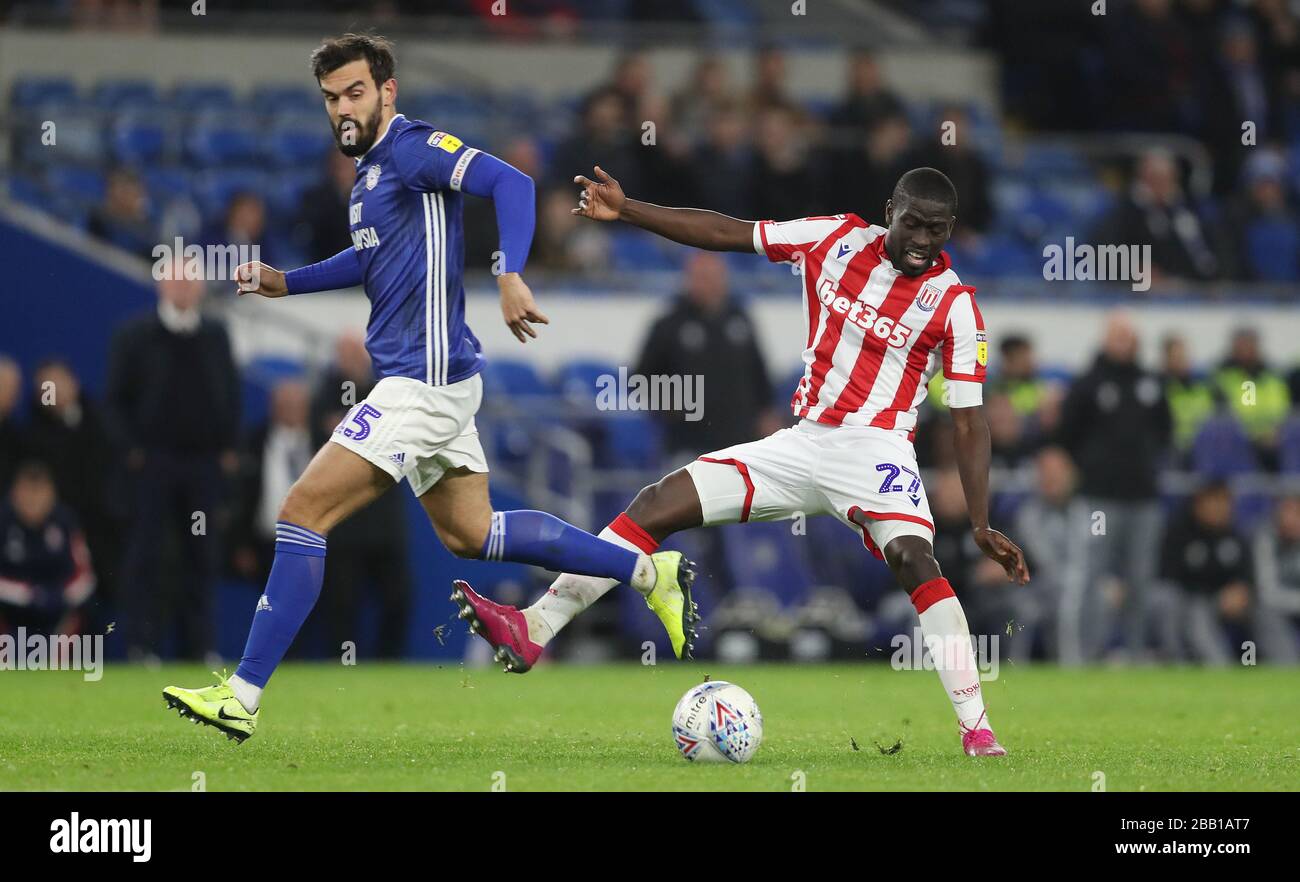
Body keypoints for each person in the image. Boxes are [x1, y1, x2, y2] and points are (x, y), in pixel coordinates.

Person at [162, 33, 694, 744]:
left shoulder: (413, 148)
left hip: (422, 383)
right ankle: (648, 573)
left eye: (354, 92)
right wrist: (288, 281)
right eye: (330, 98)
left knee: (300, 513)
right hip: (438, 384)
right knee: (474, 533)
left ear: (387, 91)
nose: (342, 109)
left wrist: (508, 271)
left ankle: (243, 694)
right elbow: (369, 256)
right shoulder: (372, 176)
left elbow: (512, 182)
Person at [458, 164, 1030, 757]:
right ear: (890, 210)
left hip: (877, 450)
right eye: (913, 223)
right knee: (657, 502)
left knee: (914, 558)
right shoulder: (833, 238)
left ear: (951, 229)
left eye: (937, 231)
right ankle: (535, 628)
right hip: (802, 443)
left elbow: (969, 420)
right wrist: (629, 210)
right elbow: (728, 233)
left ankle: (977, 729)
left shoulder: (957, 306)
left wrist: (982, 522)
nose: (922, 240)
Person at [108, 265, 241, 664]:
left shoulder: (215, 335)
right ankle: (141, 645)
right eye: (176, 279)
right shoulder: (134, 334)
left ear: (200, 287)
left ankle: (199, 647)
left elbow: (230, 395)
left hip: (202, 465)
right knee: (147, 554)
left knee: (201, 554)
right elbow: (115, 400)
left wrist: (227, 446)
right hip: (154, 464)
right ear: (161, 285)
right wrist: (133, 450)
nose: (184, 287)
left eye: (191, 280)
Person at [1058, 311, 1171, 661]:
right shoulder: (1088, 383)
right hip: (1097, 499)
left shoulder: (1151, 383)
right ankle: (1079, 657)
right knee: (1088, 576)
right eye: (1117, 335)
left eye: (1129, 336)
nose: (1124, 343)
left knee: (1140, 580)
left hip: (1143, 499)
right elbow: (1066, 435)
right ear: (1105, 339)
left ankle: (1135, 655)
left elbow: (1166, 431)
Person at [0, 462, 95, 636]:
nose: (33, 502)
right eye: (27, 494)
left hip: (56, 611)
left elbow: (85, 576)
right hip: (9, 612)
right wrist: (29, 594)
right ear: (14, 494)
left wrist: (61, 594)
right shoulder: (3, 522)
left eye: (38, 495)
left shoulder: (65, 522)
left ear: (51, 495)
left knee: (84, 612)